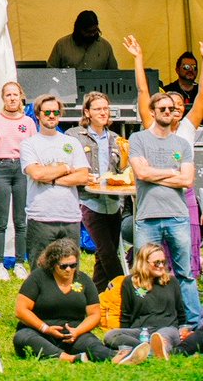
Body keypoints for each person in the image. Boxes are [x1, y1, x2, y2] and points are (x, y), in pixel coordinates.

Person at [124, 33, 203, 284]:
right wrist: (139, 59)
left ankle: (184, 302)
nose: (174, 108)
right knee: (154, 256)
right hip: (154, 198)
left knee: (185, 256)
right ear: (159, 109)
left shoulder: (189, 128)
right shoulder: (150, 127)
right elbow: (142, 90)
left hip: (183, 200)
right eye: (168, 105)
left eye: (179, 105)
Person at [127, 91, 200, 325]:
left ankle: (194, 322)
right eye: (162, 109)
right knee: (142, 273)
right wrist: (171, 172)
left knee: (185, 273)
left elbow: (187, 180)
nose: (168, 112)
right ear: (152, 112)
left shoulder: (183, 144)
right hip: (148, 216)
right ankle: (145, 320)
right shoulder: (138, 139)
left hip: (178, 216)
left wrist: (154, 175)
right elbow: (141, 173)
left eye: (171, 109)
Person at [12, 237, 140, 362]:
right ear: (53, 263)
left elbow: (95, 314)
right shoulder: (38, 278)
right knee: (22, 338)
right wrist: (45, 328)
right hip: (40, 331)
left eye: (73, 265)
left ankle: (119, 357)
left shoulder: (84, 280)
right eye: (63, 266)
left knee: (93, 344)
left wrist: (78, 331)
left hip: (73, 334)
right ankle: (69, 358)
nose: (69, 269)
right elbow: (21, 310)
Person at [19, 93, 88, 268]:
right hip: (41, 216)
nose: (51, 116)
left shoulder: (72, 142)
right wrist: (65, 168)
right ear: (38, 114)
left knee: (70, 271)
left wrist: (51, 178)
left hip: (70, 216)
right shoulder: (29, 144)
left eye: (56, 112)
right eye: (47, 112)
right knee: (39, 271)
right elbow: (36, 174)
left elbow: (83, 176)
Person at [66, 91, 123, 290]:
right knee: (108, 252)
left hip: (114, 203)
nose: (102, 112)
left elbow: (122, 169)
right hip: (89, 200)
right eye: (97, 109)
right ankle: (127, 291)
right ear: (87, 112)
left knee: (103, 255)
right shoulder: (74, 136)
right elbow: (66, 164)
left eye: (105, 108)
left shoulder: (116, 138)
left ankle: (95, 298)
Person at [0, 80, 35, 281]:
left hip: (21, 169)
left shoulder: (28, 123)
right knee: (1, 220)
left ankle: (20, 262)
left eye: (15, 94)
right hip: (1, 168)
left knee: (21, 220)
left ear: (21, 96)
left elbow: (32, 148)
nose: (12, 98)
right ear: (3, 98)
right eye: (8, 95)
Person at [103, 243, 186, 357]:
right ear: (144, 263)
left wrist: (182, 330)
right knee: (111, 335)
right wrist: (126, 334)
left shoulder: (172, 282)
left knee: (161, 336)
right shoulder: (129, 282)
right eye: (157, 262)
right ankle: (148, 350)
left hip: (167, 329)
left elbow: (181, 313)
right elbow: (126, 314)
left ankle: (147, 351)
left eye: (163, 261)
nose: (161, 265)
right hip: (141, 331)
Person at [47, 10, 119, 70]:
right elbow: (50, 72)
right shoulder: (62, 45)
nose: (92, 35)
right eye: (88, 32)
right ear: (79, 29)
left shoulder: (105, 46)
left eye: (95, 31)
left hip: (98, 87)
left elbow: (114, 74)